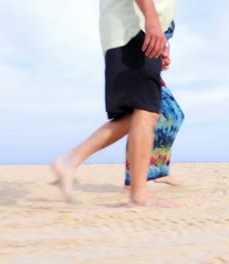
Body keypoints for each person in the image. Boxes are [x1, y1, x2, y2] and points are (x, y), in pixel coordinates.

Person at [51, 0, 180, 208]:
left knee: (137, 114)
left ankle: (70, 161)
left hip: (133, 31)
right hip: (133, 29)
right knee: (146, 111)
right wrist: (152, 19)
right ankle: (138, 195)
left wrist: (162, 40)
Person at [123, 20, 184, 193]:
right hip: (137, 67)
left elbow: (164, 41)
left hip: (150, 68)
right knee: (156, 118)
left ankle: (158, 171)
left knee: (170, 117)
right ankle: (133, 181)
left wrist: (164, 57)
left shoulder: (167, 11)